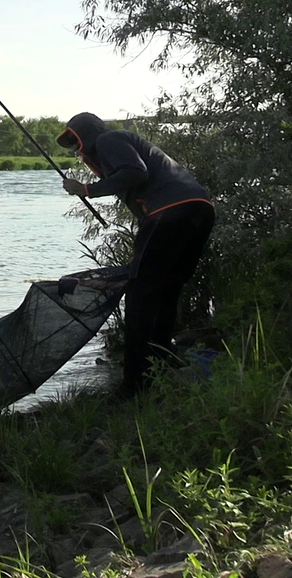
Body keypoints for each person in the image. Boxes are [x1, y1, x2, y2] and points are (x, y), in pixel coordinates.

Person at [56, 112, 215, 399]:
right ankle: (159, 367)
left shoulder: (108, 139)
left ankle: (133, 386)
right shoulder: (116, 145)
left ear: (87, 135)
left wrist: (87, 189)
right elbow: (136, 179)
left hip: (170, 211)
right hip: (199, 209)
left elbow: (135, 171)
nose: (77, 152)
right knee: (166, 292)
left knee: (140, 295)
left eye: (76, 143)